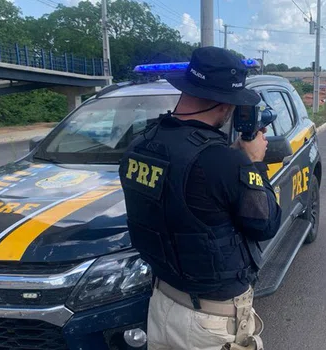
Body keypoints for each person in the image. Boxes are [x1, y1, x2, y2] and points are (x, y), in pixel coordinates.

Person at [119, 46, 282, 350]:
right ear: (224, 103)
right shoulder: (223, 163)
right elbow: (265, 223)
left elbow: (187, 196)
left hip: (163, 303)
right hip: (211, 321)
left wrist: (232, 161)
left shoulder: (141, 144)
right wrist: (254, 163)